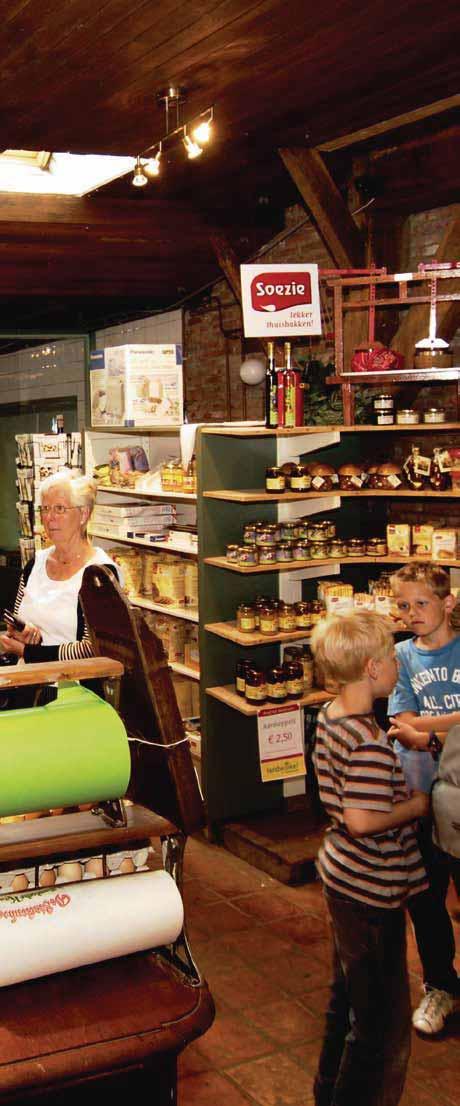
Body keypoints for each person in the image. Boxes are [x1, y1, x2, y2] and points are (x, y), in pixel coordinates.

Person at [311, 610, 428, 1106]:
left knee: (348, 1004)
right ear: (373, 669)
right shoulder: (369, 743)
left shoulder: (330, 717)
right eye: (392, 654)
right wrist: (417, 804)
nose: (398, 661)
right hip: (370, 887)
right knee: (382, 1023)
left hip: (340, 878)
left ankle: (327, 1094)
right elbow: (361, 820)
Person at [387, 562, 460, 1035]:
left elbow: (415, 728)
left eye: (421, 603)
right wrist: (448, 728)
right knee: (426, 894)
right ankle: (440, 985)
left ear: (448, 603)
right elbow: (400, 723)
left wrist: (426, 733)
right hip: (418, 793)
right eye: (403, 605)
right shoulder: (401, 656)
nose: (411, 614)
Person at [0, 471, 118, 680]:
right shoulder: (34, 564)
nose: (49, 517)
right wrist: (21, 632)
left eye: (60, 509)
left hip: (76, 688)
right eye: (45, 509)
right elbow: (17, 621)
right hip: (29, 682)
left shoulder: (100, 573)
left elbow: (92, 649)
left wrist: (28, 652)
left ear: (83, 514)